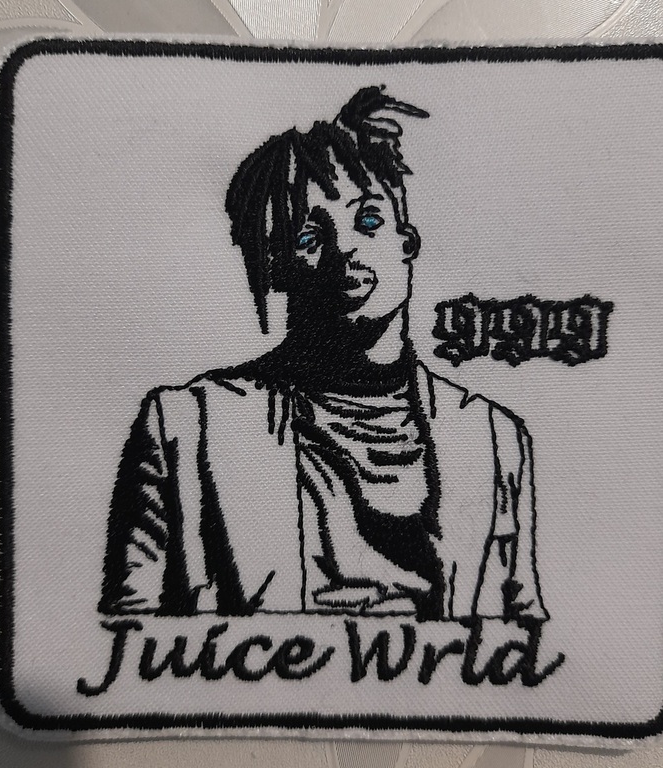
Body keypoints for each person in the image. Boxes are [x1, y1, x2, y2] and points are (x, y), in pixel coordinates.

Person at [99, 86, 548, 625]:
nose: (346, 249)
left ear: (407, 241)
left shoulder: (494, 439)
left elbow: (522, 639)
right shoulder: (186, 427)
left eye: (368, 221)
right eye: (310, 235)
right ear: (278, 266)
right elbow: (129, 642)